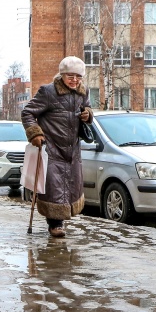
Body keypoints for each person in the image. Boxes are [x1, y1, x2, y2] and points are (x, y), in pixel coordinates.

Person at [21, 56, 93, 238]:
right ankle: (55, 224)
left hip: (73, 149)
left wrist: (88, 115)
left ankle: (60, 221)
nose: (75, 80)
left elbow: (88, 109)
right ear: (62, 75)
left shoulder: (83, 92)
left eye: (78, 77)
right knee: (54, 187)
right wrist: (35, 133)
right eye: (71, 76)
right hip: (52, 147)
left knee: (70, 185)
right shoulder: (48, 92)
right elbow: (28, 112)